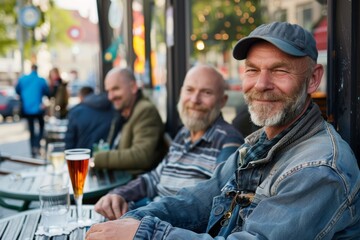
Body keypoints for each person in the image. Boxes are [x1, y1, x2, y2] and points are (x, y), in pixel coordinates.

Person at [86, 22, 360, 240]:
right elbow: (200, 198)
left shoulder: (319, 168)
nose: (262, 84)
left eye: (279, 71)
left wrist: (145, 233)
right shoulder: (261, 144)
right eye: (252, 70)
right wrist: (135, 219)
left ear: (313, 79)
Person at [94, 64, 244, 220]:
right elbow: (154, 179)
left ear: (223, 101)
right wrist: (118, 194)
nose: (194, 99)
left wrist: (138, 217)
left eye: (206, 92)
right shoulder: (184, 133)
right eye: (189, 90)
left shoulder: (229, 141)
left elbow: (214, 205)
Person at [93, 68, 165, 174]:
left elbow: (141, 156)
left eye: (116, 89)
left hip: (134, 184)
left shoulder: (145, 110)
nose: (110, 96)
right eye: (108, 91)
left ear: (133, 87)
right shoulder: (123, 112)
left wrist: (97, 159)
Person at [64, 86, 115, 151]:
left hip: (82, 158)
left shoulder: (76, 112)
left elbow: (69, 143)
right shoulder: (113, 109)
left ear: (81, 97)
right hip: (107, 157)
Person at [16, 64, 50, 157]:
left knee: (31, 129)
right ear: (37, 70)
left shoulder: (22, 79)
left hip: (27, 109)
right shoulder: (41, 80)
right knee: (41, 126)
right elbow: (47, 92)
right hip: (38, 108)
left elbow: (17, 90)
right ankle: (37, 144)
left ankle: (33, 149)